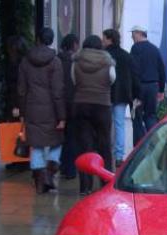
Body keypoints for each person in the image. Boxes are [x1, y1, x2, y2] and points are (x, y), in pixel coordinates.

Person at [17, 28, 65, 194]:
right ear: (51, 40)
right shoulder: (55, 61)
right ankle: (49, 175)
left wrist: (22, 112)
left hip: (31, 108)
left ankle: (39, 182)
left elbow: (21, 89)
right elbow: (58, 91)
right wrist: (62, 116)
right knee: (56, 142)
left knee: (36, 145)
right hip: (51, 109)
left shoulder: (25, 61)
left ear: (37, 39)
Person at [72, 35, 116, 194]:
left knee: (84, 147)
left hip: (81, 105)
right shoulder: (108, 62)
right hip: (102, 106)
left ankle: (85, 185)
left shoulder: (76, 62)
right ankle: (105, 182)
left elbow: (74, 81)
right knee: (104, 145)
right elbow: (112, 80)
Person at [103, 28, 141, 166]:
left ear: (109, 39)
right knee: (119, 124)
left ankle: (106, 152)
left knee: (107, 125)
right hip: (122, 94)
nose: (102, 40)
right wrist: (137, 94)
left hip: (106, 94)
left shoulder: (104, 55)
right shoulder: (126, 55)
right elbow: (135, 76)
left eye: (104, 38)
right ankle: (119, 155)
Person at [130, 25, 166, 144]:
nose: (132, 36)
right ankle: (155, 142)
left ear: (140, 33)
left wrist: (132, 90)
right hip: (153, 87)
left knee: (137, 117)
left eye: (133, 33)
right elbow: (161, 69)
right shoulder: (154, 49)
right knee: (151, 116)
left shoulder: (135, 48)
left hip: (139, 87)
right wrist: (161, 90)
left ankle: (139, 146)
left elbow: (133, 70)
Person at [57, 34, 79, 180]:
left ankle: (62, 166)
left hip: (58, 103)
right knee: (72, 137)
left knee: (60, 136)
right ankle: (70, 169)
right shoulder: (76, 62)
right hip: (73, 103)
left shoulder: (56, 61)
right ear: (74, 45)